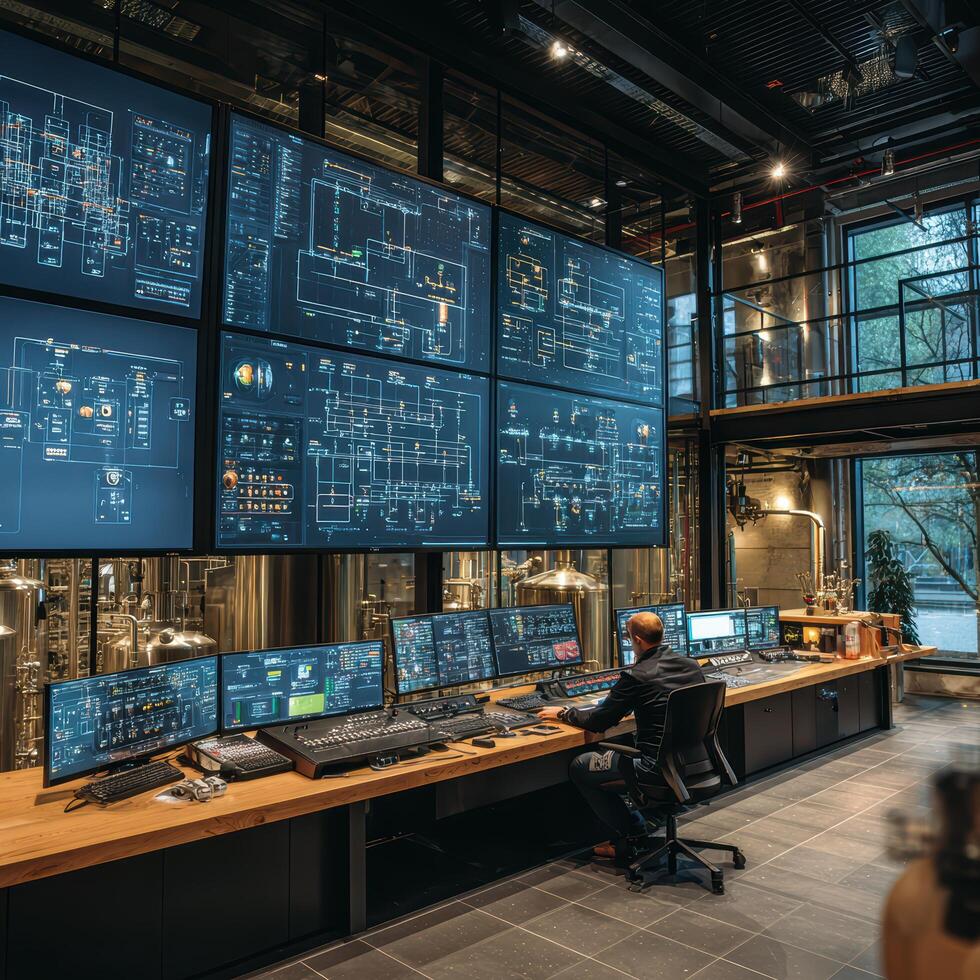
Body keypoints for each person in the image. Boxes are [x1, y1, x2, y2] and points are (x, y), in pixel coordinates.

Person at [537, 610, 705, 862]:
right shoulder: (691, 665)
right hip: (696, 762)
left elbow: (598, 722)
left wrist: (564, 713)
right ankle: (641, 824)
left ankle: (633, 837)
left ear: (636, 640)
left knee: (579, 766)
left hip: (654, 767)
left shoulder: (637, 675)